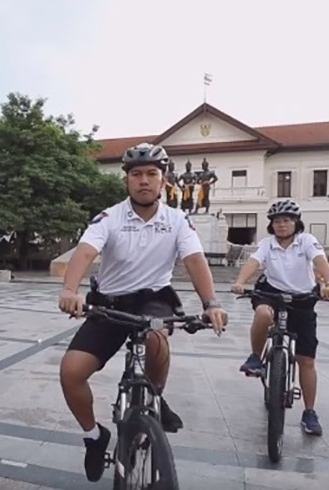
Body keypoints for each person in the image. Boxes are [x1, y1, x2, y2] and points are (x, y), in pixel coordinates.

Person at [58, 142, 228, 482]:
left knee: (156, 339)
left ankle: (154, 397)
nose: (144, 180)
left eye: (152, 173)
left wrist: (211, 304)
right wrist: (69, 289)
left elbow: (195, 261)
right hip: (110, 303)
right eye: (136, 174)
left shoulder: (177, 220)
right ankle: (94, 437)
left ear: (164, 180)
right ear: (127, 180)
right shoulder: (110, 217)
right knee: (71, 372)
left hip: (154, 299)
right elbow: (85, 252)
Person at [231, 199, 329, 436]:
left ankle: (309, 412)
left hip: (302, 299)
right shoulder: (267, 244)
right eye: (277, 221)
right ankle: (256, 358)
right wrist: (240, 282)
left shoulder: (306, 241)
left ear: (296, 223)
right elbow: (253, 262)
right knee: (262, 313)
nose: (282, 225)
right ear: (271, 225)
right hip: (271, 293)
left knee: (306, 360)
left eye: (287, 220)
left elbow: (320, 261)